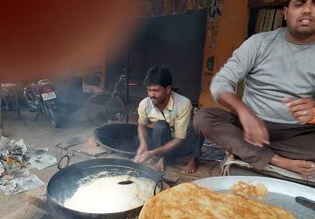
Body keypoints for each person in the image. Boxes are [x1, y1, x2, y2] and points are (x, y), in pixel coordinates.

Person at [194, 0, 315, 179]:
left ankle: (247, 150)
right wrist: (244, 112)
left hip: (296, 134)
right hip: (249, 129)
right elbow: (220, 82)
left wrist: (313, 112)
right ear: (285, 12)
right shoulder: (259, 43)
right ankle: (277, 160)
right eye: (299, 4)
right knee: (203, 118)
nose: (307, 10)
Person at [134, 65, 204, 174]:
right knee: (160, 126)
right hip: (162, 144)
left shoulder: (183, 104)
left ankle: (193, 158)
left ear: (167, 89)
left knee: (199, 124)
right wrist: (143, 143)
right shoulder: (145, 104)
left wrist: (152, 153)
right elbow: (141, 126)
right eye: (149, 90)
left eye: (156, 90)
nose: (151, 95)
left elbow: (179, 140)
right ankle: (164, 158)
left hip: (183, 144)